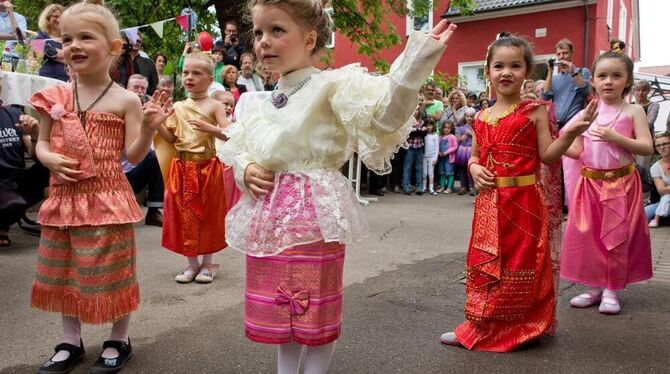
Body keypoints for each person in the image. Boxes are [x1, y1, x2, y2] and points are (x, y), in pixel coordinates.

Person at [219, 0, 455, 371]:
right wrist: (245, 169)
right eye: (260, 32)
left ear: (310, 37)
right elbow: (239, 147)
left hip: (315, 216)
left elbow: (384, 112)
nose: (263, 41)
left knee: (315, 307)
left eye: (277, 30)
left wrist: (415, 61)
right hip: (270, 215)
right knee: (281, 310)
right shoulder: (254, 101)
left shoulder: (332, 85)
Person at [28, 1, 172, 373]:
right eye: (66, 38)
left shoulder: (126, 99)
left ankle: (118, 337)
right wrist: (46, 158)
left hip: (109, 198)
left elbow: (135, 155)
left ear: (113, 47)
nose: (73, 45)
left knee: (112, 271)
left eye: (85, 37)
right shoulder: (54, 96)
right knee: (63, 270)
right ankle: (70, 340)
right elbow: (42, 142)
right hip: (63, 197)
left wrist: (152, 128)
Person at [440, 32, 592, 352]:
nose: (506, 72)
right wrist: (472, 168)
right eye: (499, 66)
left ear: (527, 72)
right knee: (486, 265)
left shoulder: (535, 111)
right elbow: (478, 157)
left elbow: (548, 155)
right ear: (488, 72)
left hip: (524, 203)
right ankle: (480, 324)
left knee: (521, 264)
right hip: (489, 204)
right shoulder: (480, 117)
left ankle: (522, 325)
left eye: (515, 66)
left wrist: (571, 133)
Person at [560, 50, 654, 315]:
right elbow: (577, 150)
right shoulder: (587, 112)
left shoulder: (633, 110)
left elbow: (646, 147)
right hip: (590, 184)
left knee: (616, 238)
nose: (608, 81)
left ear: (627, 80)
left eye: (616, 75)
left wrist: (616, 137)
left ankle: (612, 289)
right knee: (589, 236)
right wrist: (558, 140)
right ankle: (594, 287)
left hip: (622, 185)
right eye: (602, 76)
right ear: (593, 81)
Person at [154, 52, 229, 284]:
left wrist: (211, 128)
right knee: (183, 215)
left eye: (197, 73)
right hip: (182, 166)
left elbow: (229, 134)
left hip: (207, 167)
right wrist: (157, 122)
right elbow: (170, 138)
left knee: (209, 215)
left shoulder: (215, 105)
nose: (189, 77)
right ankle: (191, 264)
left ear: (209, 78)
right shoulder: (178, 106)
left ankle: (208, 264)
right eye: (186, 72)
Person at [0, 96, 48, 247]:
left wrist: (35, 133)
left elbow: (35, 155)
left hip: (16, 182)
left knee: (48, 165)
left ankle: (56, 223)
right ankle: (2, 226)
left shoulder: (14, 114)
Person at [542, 39, 591, 129]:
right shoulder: (555, 78)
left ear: (572, 53)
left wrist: (573, 73)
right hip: (556, 126)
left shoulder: (583, 71)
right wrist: (550, 72)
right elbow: (545, 96)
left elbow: (586, 91)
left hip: (574, 124)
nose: (562, 57)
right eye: (558, 54)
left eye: (565, 53)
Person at [35, 4, 68, 81]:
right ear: (47, 19)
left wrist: (54, 53)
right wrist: (67, 56)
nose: (59, 20)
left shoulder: (69, 36)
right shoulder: (38, 35)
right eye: (55, 16)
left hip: (67, 80)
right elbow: (37, 56)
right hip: (46, 79)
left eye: (61, 17)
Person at [403, 101, 427, 195]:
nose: (415, 112)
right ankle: (406, 185)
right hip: (410, 146)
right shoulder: (408, 121)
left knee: (419, 167)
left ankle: (419, 186)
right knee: (407, 166)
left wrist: (416, 131)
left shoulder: (421, 121)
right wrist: (418, 131)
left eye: (417, 109)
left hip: (419, 146)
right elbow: (409, 133)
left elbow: (423, 133)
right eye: (413, 110)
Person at [647, 132, 670, 228]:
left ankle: (659, 219)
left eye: (665, 144)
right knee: (643, 214)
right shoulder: (655, 167)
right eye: (658, 145)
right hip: (664, 201)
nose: (662, 147)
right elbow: (661, 191)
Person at [455, 107, 475, 195]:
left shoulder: (475, 127)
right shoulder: (461, 128)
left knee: (471, 169)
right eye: (467, 116)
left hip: (471, 150)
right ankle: (463, 186)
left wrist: (472, 134)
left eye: (471, 116)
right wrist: (462, 137)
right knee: (462, 169)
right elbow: (458, 139)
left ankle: (472, 187)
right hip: (463, 149)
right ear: (465, 117)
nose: (469, 118)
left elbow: (479, 139)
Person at [437, 119, 457, 193]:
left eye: (448, 128)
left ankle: (449, 188)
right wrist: (438, 152)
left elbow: (455, 147)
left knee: (450, 173)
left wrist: (447, 152)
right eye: (445, 128)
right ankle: (442, 186)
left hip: (449, 158)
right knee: (442, 172)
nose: (446, 129)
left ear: (451, 129)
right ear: (442, 128)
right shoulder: (440, 137)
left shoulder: (452, 137)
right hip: (441, 158)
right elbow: (437, 146)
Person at [422, 119, 439, 195]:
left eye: (430, 125)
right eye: (427, 125)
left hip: (432, 157)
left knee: (431, 173)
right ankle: (424, 187)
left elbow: (437, 148)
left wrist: (435, 158)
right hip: (424, 156)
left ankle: (431, 188)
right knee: (424, 172)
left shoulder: (435, 136)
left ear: (433, 126)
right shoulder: (424, 136)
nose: (429, 127)